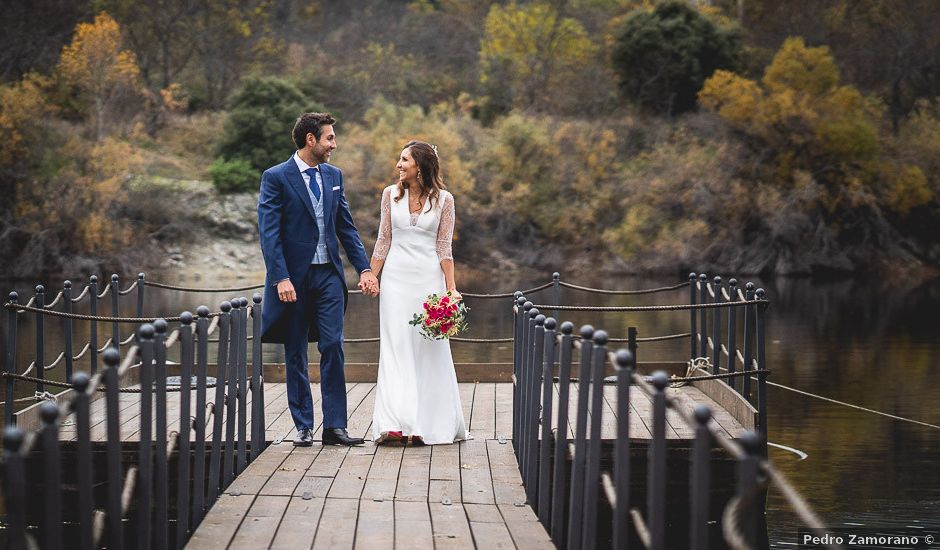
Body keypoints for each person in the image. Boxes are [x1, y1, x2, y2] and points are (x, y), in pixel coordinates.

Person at [257, 112, 380, 447]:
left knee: (332, 346)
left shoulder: (334, 175)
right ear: (310, 140)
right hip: (293, 280)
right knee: (295, 351)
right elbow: (269, 234)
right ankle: (303, 426)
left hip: (329, 276)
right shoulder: (276, 178)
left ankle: (335, 427)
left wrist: (365, 268)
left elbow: (346, 227)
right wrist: (280, 277)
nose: (333, 145)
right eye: (329, 138)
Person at [368, 140, 468, 445]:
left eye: (404, 160)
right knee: (396, 348)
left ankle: (424, 424)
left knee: (428, 349)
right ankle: (394, 423)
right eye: (399, 160)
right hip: (396, 281)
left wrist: (450, 289)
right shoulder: (390, 195)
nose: (398, 165)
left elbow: (444, 247)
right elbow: (383, 240)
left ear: (421, 166)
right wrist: (371, 276)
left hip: (428, 282)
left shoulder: (445, 200)